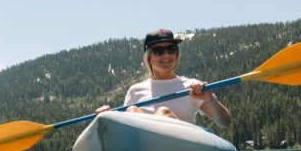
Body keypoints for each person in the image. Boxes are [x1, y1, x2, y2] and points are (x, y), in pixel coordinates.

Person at [95, 29, 231, 127]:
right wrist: (108, 116)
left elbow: (225, 123)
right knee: (132, 111)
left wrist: (210, 99)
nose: (167, 55)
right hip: (144, 147)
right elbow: (124, 128)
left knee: (163, 112)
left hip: (183, 148)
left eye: (171, 49)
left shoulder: (192, 86)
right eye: (159, 51)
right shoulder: (135, 90)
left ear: (177, 54)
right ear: (149, 57)